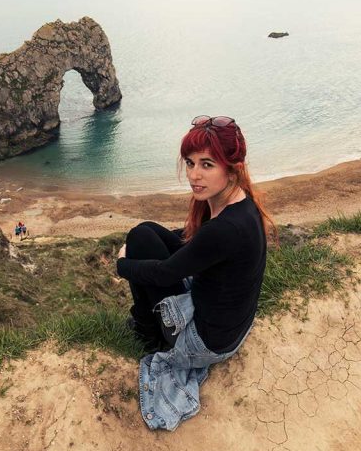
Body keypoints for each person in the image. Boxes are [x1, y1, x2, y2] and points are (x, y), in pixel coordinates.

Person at [115, 115, 275, 431]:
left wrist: (121, 264)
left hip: (205, 343)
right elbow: (197, 243)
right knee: (146, 231)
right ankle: (148, 320)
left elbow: (163, 274)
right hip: (231, 328)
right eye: (190, 163)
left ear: (232, 167)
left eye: (206, 165)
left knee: (137, 243)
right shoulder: (244, 206)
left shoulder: (225, 229)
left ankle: (148, 331)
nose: (194, 175)